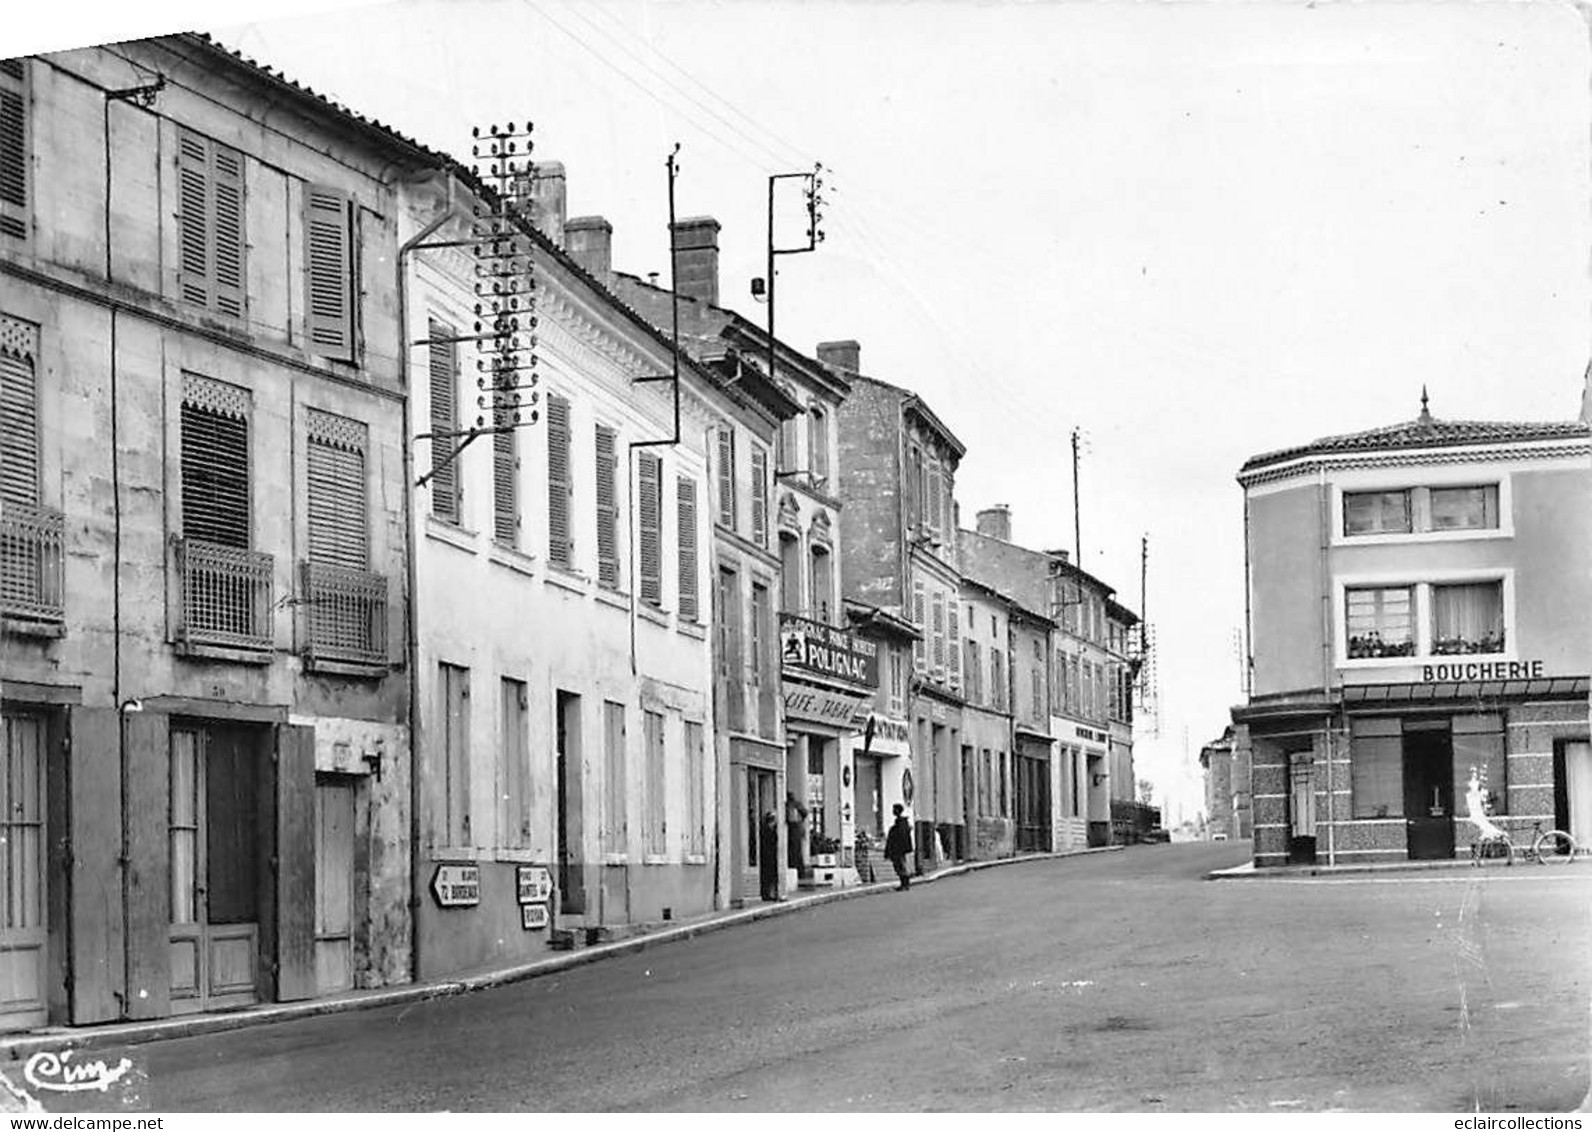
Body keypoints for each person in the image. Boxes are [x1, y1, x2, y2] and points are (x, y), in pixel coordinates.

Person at [884, 802, 914, 891]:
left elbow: (899, 838)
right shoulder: (901, 824)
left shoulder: (900, 825)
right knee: (899, 866)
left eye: (894, 809)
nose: (893, 811)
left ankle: (905, 884)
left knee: (901, 866)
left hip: (899, 850)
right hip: (899, 849)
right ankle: (904, 884)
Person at [759, 811, 781, 900]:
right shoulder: (765, 831)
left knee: (772, 876)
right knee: (767, 876)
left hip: (772, 856)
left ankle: (772, 893)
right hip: (767, 856)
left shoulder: (773, 830)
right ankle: (767, 894)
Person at [785, 791, 808, 873]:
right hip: (794, 827)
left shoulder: (793, 805)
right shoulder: (792, 805)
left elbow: (805, 812)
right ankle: (798, 869)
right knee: (795, 849)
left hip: (794, 827)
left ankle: (798, 869)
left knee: (795, 849)